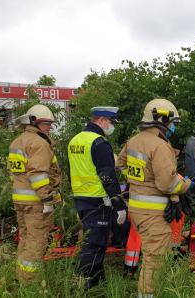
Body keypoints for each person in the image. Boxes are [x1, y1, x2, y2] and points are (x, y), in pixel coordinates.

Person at [116, 98, 192, 298]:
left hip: (137, 209)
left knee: (150, 256)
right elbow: (168, 183)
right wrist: (186, 185)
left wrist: (140, 182)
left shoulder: (133, 140)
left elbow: (121, 165)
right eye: (173, 122)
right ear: (162, 119)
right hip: (153, 213)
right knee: (155, 260)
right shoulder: (159, 145)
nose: (173, 127)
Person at [68, 106, 127, 289]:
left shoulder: (75, 140)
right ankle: (86, 285)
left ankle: (98, 281)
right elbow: (108, 176)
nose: (112, 127)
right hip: (98, 200)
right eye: (111, 123)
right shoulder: (99, 142)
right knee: (95, 244)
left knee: (90, 240)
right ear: (102, 120)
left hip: (81, 199)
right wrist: (118, 205)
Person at [8, 104, 62, 282]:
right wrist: (47, 198)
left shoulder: (17, 141)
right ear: (35, 123)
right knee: (37, 241)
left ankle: (20, 275)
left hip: (20, 200)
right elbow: (38, 174)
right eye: (46, 123)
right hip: (36, 201)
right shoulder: (38, 143)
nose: (50, 127)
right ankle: (29, 282)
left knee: (25, 238)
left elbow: (14, 173)